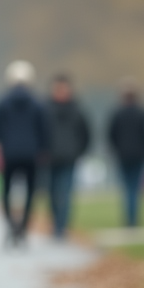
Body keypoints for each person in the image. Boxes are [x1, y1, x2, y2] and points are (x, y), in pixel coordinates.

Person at [0, 60, 49, 246]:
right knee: (30, 192)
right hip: (31, 154)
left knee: (6, 191)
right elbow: (44, 129)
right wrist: (41, 148)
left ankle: (10, 225)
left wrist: (3, 141)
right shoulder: (37, 103)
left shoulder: (3, 102)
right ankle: (23, 227)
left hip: (9, 153)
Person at [45, 74, 90, 240]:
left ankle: (61, 226)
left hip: (70, 157)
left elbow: (85, 133)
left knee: (66, 191)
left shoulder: (77, 109)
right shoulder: (45, 108)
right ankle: (56, 222)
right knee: (52, 192)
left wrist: (79, 151)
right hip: (50, 158)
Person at [107, 81, 144, 227]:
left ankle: (129, 218)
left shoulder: (117, 113)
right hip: (139, 155)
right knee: (135, 187)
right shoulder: (142, 112)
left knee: (127, 188)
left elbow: (111, 135)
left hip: (123, 155)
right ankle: (134, 218)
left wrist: (116, 150)